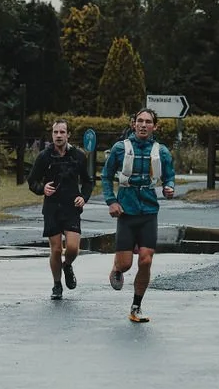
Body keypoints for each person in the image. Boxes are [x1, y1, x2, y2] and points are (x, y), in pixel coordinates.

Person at [101, 107, 176, 323]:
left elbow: (170, 176)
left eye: (148, 122)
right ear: (134, 124)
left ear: (155, 126)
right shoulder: (119, 148)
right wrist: (111, 201)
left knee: (146, 260)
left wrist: (169, 187)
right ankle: (117, 267)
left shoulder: (161, 151)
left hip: (149, 211)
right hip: (126, 211)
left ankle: (136, 306)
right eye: (140, 121)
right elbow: (106, 177)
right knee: (126, 264)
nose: (143, 125)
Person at [27, 118, 94, 299]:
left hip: (71, 207)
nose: (58, 135)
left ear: (68, 135)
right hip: (52, 208)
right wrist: (43, 189)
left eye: (62, 132)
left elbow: (88, 182)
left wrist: (83, 197)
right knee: (56, 249)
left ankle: (67, 265)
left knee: (72, 248)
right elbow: (32, 182)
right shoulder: (44, 157)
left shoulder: (78, 156)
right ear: (52, 134)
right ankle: (57, 285)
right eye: (55, 132)